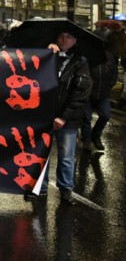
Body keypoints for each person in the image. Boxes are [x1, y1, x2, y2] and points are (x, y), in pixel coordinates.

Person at [33, 31, 92, 205]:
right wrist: (45, 53)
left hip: (67, 119)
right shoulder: (48, 55)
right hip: (44, 116)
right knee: (42, 153)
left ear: (75, 41)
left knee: (66, 155)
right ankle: (40, 187)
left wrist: (64, 117)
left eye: (69, 37)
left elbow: (80, 93)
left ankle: (66, 189)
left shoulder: (80, 63)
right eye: (61, 36)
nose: (65, 40)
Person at [81, 49, 117, 152]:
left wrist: (110, 85)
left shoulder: (110, 56)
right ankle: (86, 139)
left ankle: (95, 136)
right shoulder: (88, 56)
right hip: (89, 93)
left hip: (104, 93)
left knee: (105, 116)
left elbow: (114, 72)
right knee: (86, 118)